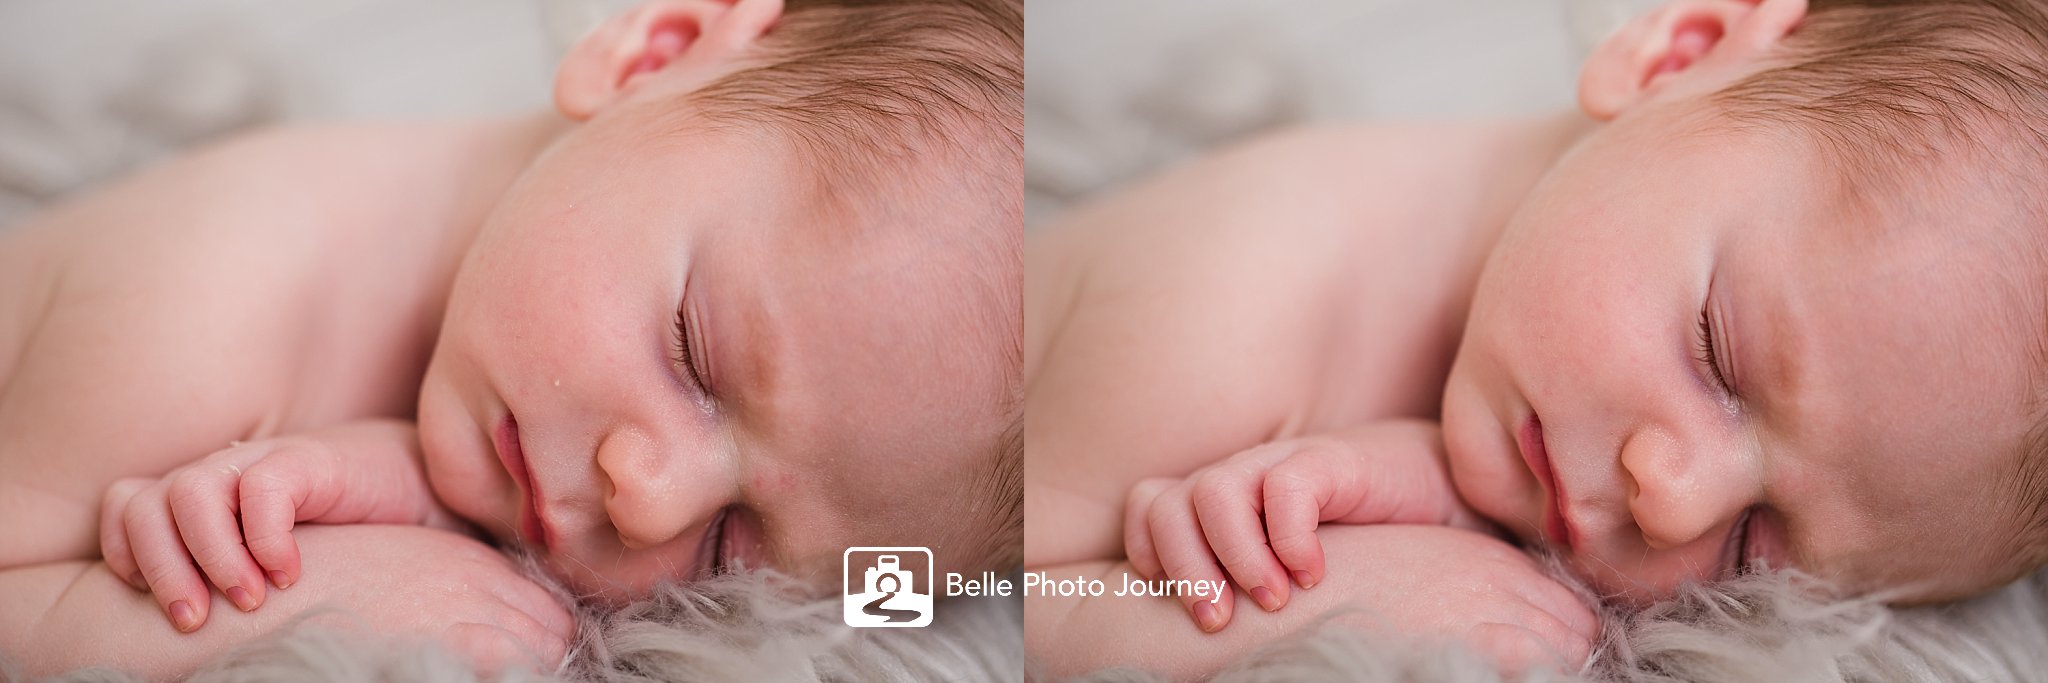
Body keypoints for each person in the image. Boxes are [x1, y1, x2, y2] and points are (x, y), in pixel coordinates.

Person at [1024, 0, 2048, 677]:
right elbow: (955, 604)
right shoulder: (1218, 320)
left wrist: (1420, 482)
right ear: (1675, 54)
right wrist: (1296, 614)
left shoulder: (1554, 334)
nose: (1674, 495)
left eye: (1757, 543)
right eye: (1715, 354)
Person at [0, 0, 1022, 677]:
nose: (650, 494)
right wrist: (300, 607)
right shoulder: (201, 311)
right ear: (652, 54)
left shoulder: (525, 353)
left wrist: (396, 482)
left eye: (732, 544)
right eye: (693, 357)